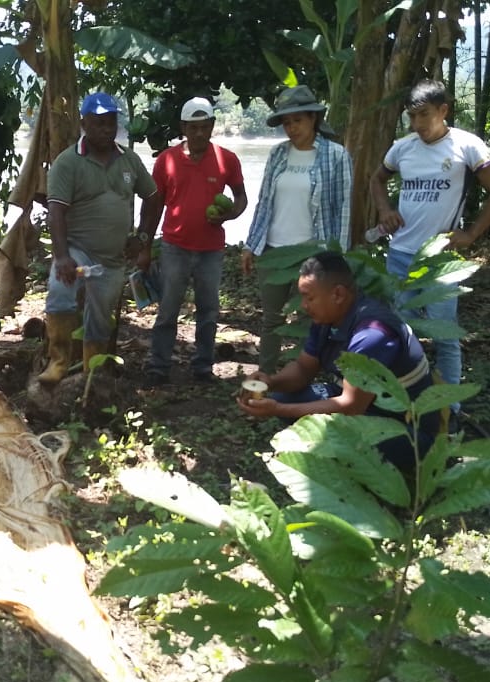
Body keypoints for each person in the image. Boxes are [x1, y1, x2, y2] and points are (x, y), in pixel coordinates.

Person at [369, 79, 490, 416]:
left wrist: (472, 233)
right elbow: (377, 180)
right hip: (400, 255)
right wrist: (385, 210)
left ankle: (450, 409)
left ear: (443, 110)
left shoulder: (466, 145)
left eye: (424, 115)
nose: (417, 123)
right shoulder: (402, 148)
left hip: (440, 259)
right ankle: (405, 402)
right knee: (402, 332)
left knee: (445, 336)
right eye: (411, 116)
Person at [237, 251, 439, 470]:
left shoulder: (372, 334)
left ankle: (376, 471)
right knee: (285, 397)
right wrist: (271, 382)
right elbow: (304, 368)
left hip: (408, 432)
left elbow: (351, 407)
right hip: (365, 407)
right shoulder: (328, 318)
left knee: (325, 423)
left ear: (338, 294)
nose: (304, 305)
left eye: (309, 297)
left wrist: (278, 409)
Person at [38, 91, 160, 384]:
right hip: (77, 250)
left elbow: (154, 197)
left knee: (101, 316)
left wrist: (142, 237)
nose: (107, 129)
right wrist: (62, 256)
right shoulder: (68, 162)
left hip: (112, 257)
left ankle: (91, 374)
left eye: (111, 123)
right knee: (60, 291)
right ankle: (58, 361)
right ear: (84, 124)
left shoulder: (129, 160)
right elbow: (56, 212)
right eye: (99, 123)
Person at [135, 96, 247, 386]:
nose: (199, 133)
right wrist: (144, 246)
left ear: (212, 126)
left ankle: (203, 367)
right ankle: (159, 367)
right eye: (193, 127)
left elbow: (241, 197)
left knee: (208, 311)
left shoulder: (226, 159)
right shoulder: (166, 161)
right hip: (175, 247)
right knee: (168, 310)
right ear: (183, 127)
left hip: (211, 250)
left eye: (204, 126)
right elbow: (154, 206)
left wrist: (229, 215)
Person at [243, 85, 353, 374]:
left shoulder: (336, 155)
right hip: (273, 249)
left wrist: (337, 257)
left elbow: (343, 208)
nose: (292, 128)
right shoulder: (278, 154)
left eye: (298, 120)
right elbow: (264, 201)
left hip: (313, 254)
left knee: (311, 319)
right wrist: (251, 244)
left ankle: (304, 378)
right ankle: (265, 378)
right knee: (272, 319)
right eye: (287, 122)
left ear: (313, 118)